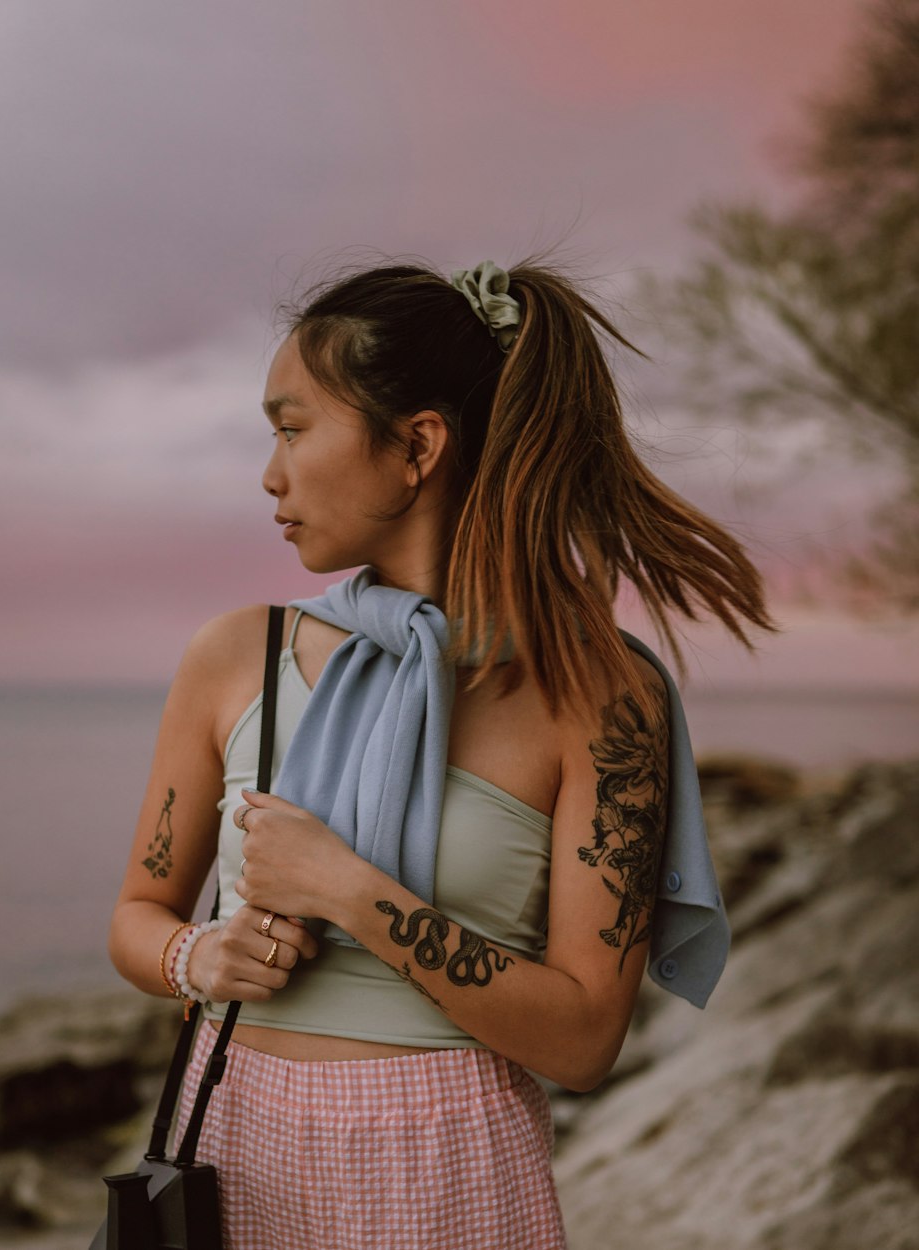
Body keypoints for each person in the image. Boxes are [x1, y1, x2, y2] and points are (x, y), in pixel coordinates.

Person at [107, 257, 774, 1249]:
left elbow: (585, 1038)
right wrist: (196, 953)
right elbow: (137, 915)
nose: (270, 471)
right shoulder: (235, 656)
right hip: (232, 1141)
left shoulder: (599, 695)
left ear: (417, 444)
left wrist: (353, 891)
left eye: (292, 426)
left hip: (447, 1156)